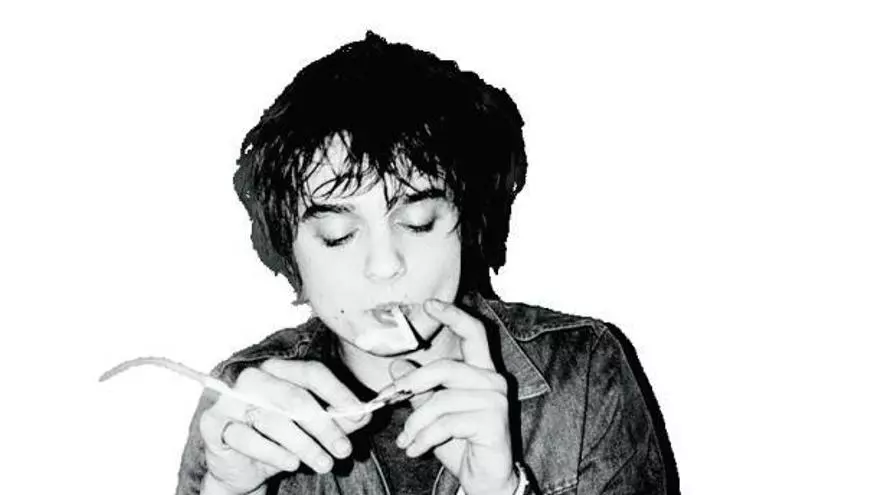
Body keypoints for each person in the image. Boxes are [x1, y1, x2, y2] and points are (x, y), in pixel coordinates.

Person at [175, 31, 676, 495]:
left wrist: (501, 490)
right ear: (292, 254)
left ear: (467, 224)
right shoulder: (245, 405)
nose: (384, 265)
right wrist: (228, 490)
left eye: (417, 223)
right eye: (338, 235)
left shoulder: (583, 373)